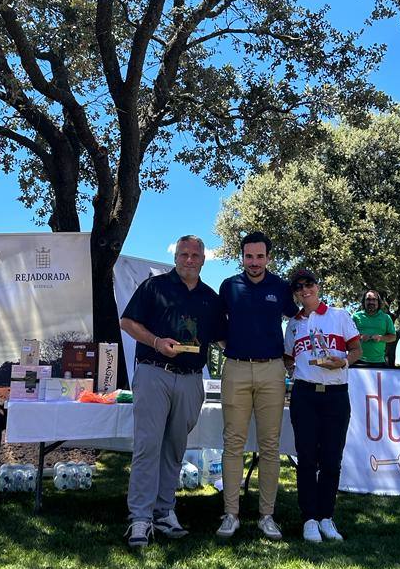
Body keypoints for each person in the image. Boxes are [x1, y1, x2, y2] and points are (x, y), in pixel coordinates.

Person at [120, 235, 224, 547]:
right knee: (148, 446)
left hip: (192, 378)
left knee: (175, 448)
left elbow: (222, 339)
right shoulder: (155, 286)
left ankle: (164, 512)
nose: (189, 259)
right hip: (155, 373)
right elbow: (127, 322)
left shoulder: (210, 297)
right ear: (176, 256)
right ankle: (140, 518)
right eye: (183, 254)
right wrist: (155, 342)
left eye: (195, 255)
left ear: (203, 259)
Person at [216, 232, 297, 541]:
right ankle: (231, 514)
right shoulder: (229, 286)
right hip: (235, 368)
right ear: (242, 257)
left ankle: (267, 516)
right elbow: (217, 325)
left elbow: (298, 320)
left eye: (259, 256)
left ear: (268, 257)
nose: (254, 262)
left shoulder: (280, 288)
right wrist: (230, 348)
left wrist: (291, 357)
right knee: (233, 443)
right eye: (249, 256)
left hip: (272, 371)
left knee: (270, 445)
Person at [284, 268, 362, 543]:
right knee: (306, 458)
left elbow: (356, 350)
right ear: (295, 293)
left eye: (309, 284)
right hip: (305, 395)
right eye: (299, 287)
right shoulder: (293, 324)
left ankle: (326, 516)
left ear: (318, 286)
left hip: (336, 394)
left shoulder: (339, 316)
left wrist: (343, 362)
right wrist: (290, 367)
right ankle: (308, 519)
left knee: (331, 459)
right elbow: (288, 359)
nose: (305, 290)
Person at [352, 290, 396, 365]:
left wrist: (381, 338)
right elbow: (348, 336)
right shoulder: (355, 316)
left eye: (374, 299)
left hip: (379, 362)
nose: (371, 302)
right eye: (368, 299)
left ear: (378, 302)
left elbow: (393, 337)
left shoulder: (386, 317)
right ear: (364, 301)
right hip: (357, 360)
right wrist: (360, 337)